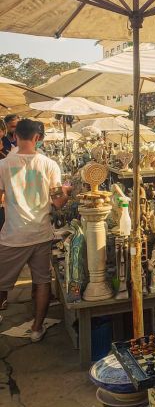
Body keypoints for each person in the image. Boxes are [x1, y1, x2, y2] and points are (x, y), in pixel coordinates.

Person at [0, 119, 70, 341]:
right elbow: (58, 202)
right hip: (40, 232)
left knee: (1, 282)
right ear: (37, 138)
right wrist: (66, 191)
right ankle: (37, 329)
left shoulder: (3, 166)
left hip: (13, 234)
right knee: (41, 282)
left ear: (15, 137)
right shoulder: (49, 165)